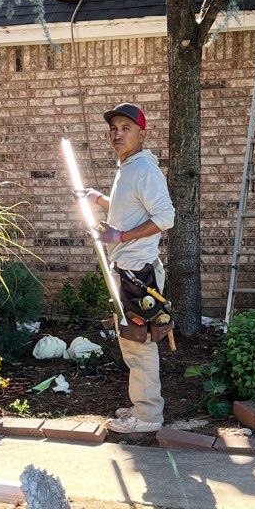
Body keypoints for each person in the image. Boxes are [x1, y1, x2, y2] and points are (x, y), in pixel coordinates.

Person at [86, 102, 175, 433]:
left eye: (126, 128)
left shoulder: (144, 170)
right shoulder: (128, 168)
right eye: (113, 129)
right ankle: (142, 406)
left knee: (140, 345)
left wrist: (119, 234)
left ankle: (149, 416)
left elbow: (166, 217)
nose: (117, 134)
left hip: (140, 275)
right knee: (132, 343)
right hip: (128, 271)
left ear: (142, 134)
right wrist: (100, 199)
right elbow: (130, 208)